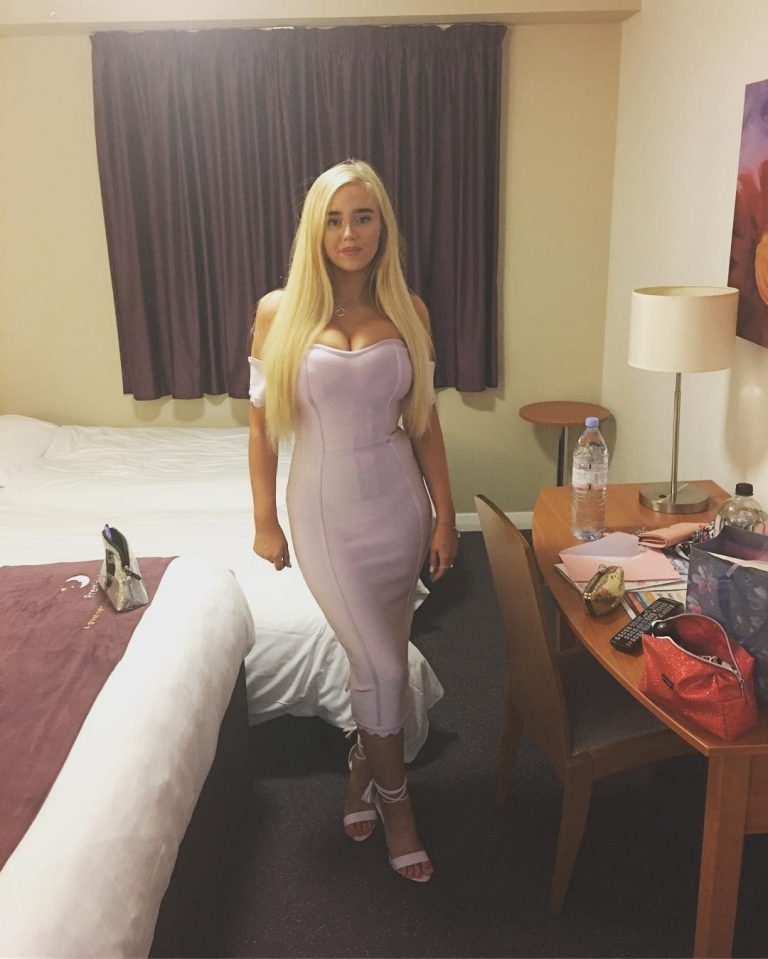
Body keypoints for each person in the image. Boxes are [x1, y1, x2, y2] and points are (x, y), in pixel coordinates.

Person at [247, 159, 458, 883]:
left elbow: (425, 422)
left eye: (363, 217)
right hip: (325, 513)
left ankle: (360, 767)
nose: (349, 233)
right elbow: (261, 429)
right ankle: (398, 804)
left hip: (400, 506)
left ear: (382, 226)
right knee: (381, 665)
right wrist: (265, 521)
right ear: (315, 229)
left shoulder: (409, 310)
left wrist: (445, 516)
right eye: (335, 219)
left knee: (385, 657)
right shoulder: (278, 312)